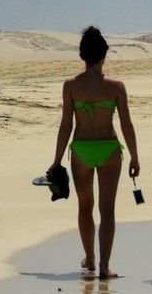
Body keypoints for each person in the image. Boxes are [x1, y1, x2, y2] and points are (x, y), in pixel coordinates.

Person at [50, 26, 140, 278]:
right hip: (109, 149)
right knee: (107, 210)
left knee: (85, 206)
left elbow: (66, 124)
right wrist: (134, 155)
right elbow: (126, 124)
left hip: (81, 150)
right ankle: (104, 267)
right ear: (104, 55)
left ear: (82, 56)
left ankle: (89, 259)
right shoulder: (116, 86)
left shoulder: (70, 86)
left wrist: (57, 160)